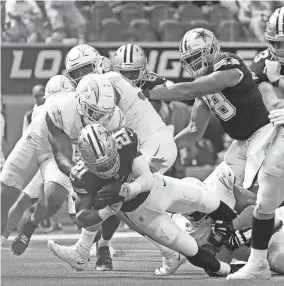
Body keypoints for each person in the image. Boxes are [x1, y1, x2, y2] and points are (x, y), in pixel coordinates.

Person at [149, 28, 284, 280]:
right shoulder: (205, 86)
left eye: (197, 57)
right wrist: (163, 151)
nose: (193, 64)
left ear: (212, 50)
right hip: (240, 146)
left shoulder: (228, 64)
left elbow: (192, 89)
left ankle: (250, 231)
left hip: (264, 136)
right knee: (214, 253)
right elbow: (192, 130)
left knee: (253, 200)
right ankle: (233, 241)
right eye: (188, 60)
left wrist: (152, 91)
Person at [48, 123, 243, 277]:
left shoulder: (124, 140)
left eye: (109, 161)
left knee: (208, 201)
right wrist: (106, 212)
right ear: (86, 161)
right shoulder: (82, 176)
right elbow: (82, 217)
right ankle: (224, 271)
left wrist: (126, 189)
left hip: (160, 188)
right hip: (139, 214)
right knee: (189, 247)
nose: (107, 169)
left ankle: (243, 231)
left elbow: (147, 180)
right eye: (99, 166)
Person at [59, 44, 177, 271]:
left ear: (97, 65)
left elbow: (110, 131)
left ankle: (170, 251)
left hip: (153, 146)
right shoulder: (104, 82)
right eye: (76, 73)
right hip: (149, 144)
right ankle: (97, 248)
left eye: (85, 70)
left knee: (122, 196)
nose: (81, 77)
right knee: (116, 194)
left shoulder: (103, 85)